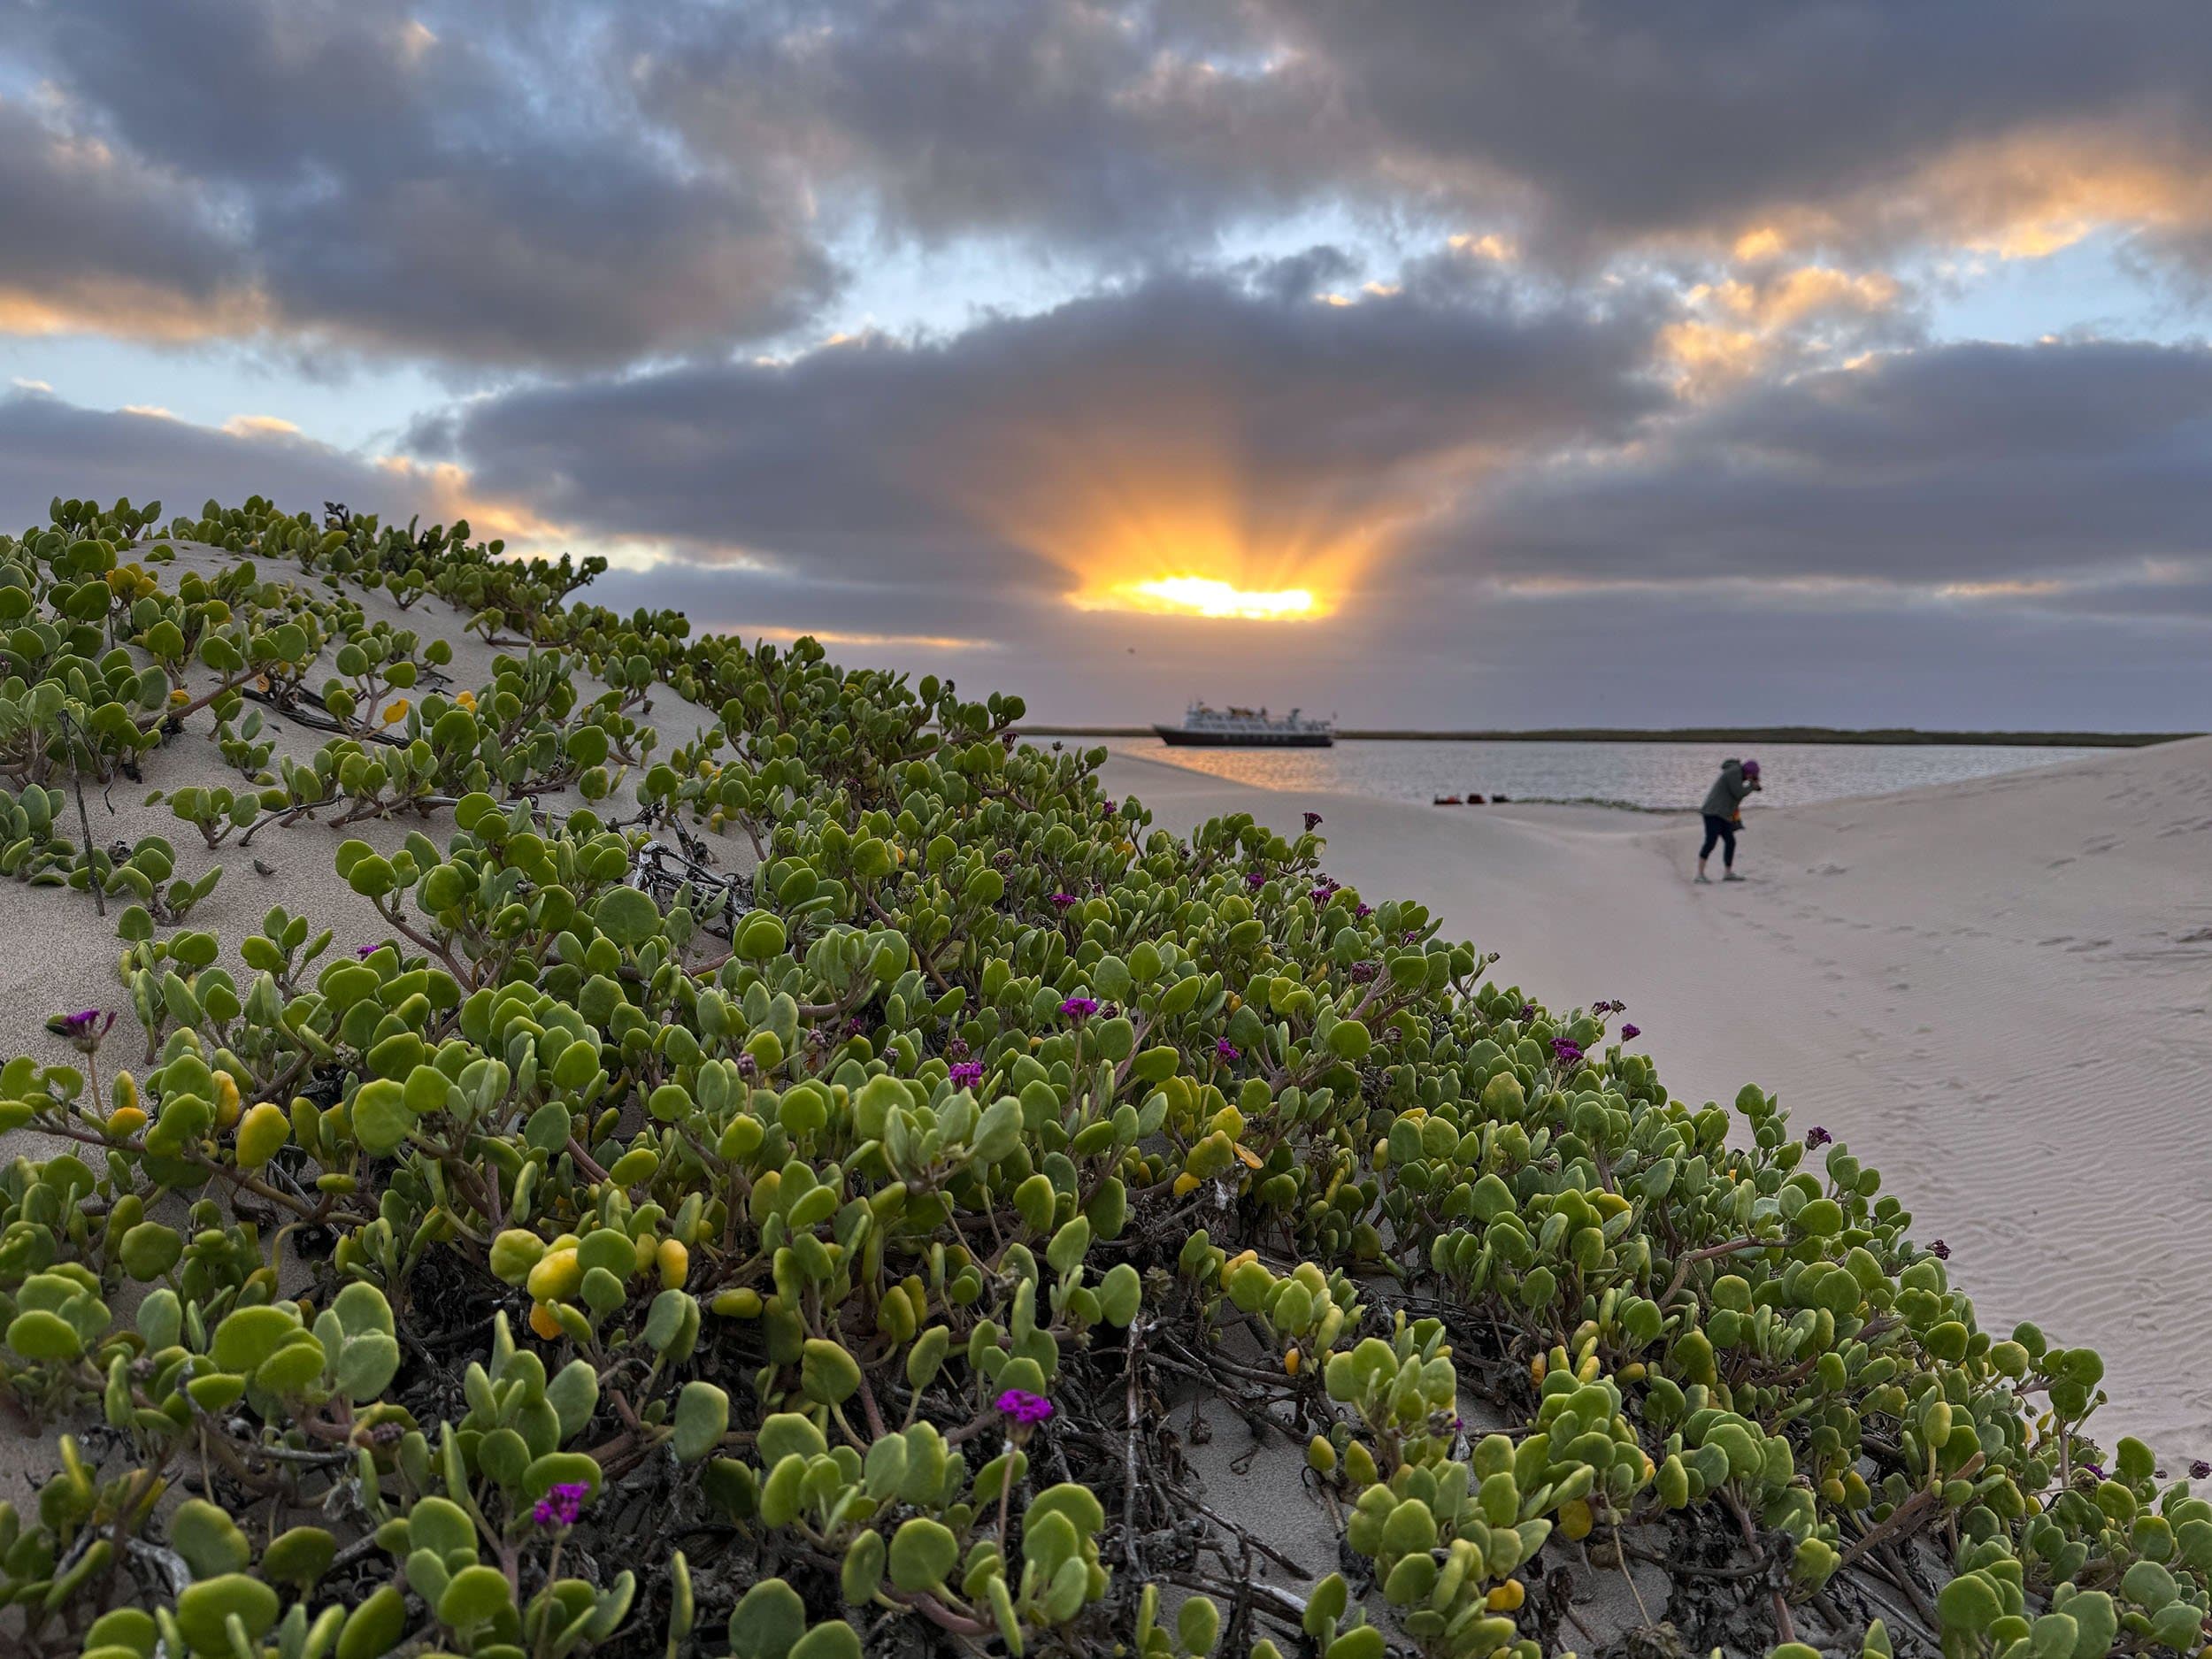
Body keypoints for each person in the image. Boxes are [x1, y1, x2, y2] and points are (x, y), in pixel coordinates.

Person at [1696, 757, 1760, 883]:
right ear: (1749, 772)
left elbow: (1736, 795)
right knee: (1710, 842)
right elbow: (1738, 793)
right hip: (1713, 812)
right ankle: (1700, 874)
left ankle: (1728, 873)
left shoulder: (1738, 773)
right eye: (1753, 776)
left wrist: (1752, 786)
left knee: (1730, 841)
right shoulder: (1734, 772)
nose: (1751, 778)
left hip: (1723, 814)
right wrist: (1752, 786)